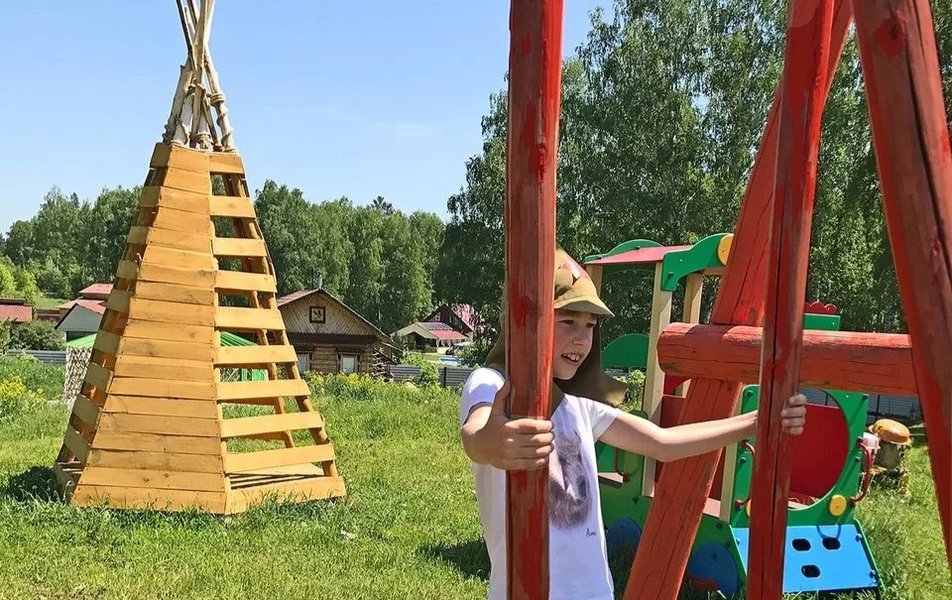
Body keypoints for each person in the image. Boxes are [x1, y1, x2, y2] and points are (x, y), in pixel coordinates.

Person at [459, 248, 807, 600]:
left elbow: (662, 443)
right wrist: (492, 441)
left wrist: (755, 422)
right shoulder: (494, 384)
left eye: (590, 326)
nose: (582, 338)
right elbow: (475, 435)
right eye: (568, 321)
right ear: (527, 324)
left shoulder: (578, 408)